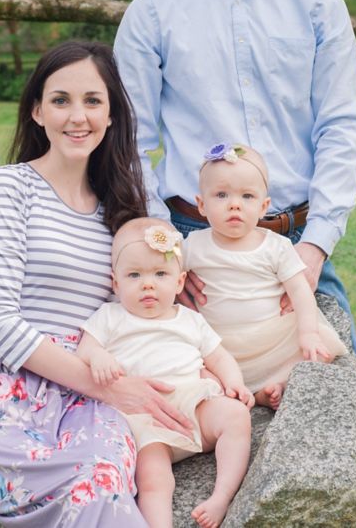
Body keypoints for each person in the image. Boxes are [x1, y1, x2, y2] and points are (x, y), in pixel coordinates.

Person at [113, 0, 356, 528]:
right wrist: (167, 253)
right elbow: (133, 141)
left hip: (296, 246)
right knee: (183, 422)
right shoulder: (152, 13)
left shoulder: (316, 4)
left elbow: (341, 128)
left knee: (342, 419)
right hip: (190, 252)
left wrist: (312, 249)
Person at [0, 40, 195, 528]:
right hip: (7, 380)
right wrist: (118, 392)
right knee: (80, 481)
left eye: (92, 101)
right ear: (38, 111)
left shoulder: (119, 211)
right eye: (60, 100)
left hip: (89, 386)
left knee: (103, 475)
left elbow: (135, 303)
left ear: (111, 114)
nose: (77, 116)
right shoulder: (10, 186)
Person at [77, 216, 254, 528]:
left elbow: (219, 356)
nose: (148, 283)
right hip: (145, 422)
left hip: (194, 405)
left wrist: (234, 383)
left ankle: (221, 497)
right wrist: (98, 357)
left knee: (236, 417)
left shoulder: (189, 319)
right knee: (153, 478)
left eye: (160, 273)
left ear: (179, 281)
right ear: (115, 283)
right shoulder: (110, 316)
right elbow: (86, 349)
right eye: (134, 275)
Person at [183, 143, 347, 409]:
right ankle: (240, 391)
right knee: (197, 370)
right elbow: (168, 276)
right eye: (221, 195)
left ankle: (274, 386)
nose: (235, 205)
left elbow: (300, 292)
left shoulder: (275, 246)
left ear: (263, 206)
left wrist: (308, 332)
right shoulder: (194, 245)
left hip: (270, 338)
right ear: (201, 204)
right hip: (219, 344)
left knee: (318, 348)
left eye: (247, 197)